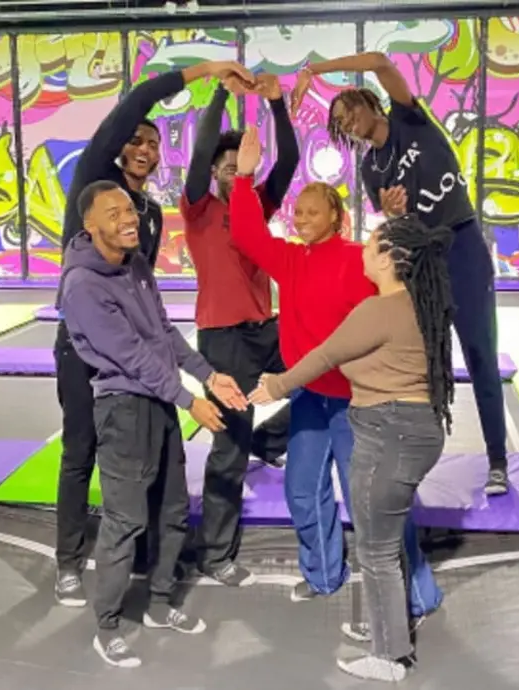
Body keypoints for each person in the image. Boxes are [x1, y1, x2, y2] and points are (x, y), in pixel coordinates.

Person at [53, 59, 256, 607]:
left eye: (153, 144)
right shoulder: (96, 182)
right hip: (86, 350)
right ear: (119, 147)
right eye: (136, 140)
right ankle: (69, 559)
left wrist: (197, 372)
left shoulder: (147, 212)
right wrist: (206, 72)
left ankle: (143, 551)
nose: (144, 148)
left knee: (148, 455)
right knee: (81, 450)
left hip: (139, 351)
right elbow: (134, 104)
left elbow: (151, 315)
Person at [229, 127, 438, 633]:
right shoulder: (290, 259)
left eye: (311, 212)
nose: (301, 219)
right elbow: (248, 236)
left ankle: (417, 593)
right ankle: (323, 575)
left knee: (372, 503)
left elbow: (401, 289)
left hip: (357, 403)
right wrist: (243, 178)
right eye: (297, 213)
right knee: (303, 488)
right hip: (309, 398)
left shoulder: (358, 260)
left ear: (337, 218)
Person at [290, 52, 509, 496]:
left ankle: (498, 461)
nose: (347, 123)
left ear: (369, 102)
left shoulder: (410, 119)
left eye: (349, 111)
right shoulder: (370, 168)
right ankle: (413, 458)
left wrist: (314, 71)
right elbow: (398, 226)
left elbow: (379, 60)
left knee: (480, 355)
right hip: (423, 263)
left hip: (463, 246)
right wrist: (391, 214)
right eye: (339, 122)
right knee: (425, 364)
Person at [249, 213, 455, 683]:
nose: (363, 249)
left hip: (388, 434)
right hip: (416, 431)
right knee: (387, 541)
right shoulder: (420, 304)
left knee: (376, 551)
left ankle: (389, 656)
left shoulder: (377, 311)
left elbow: (325, 355)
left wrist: (276, 386)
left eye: (371, 243)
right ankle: (389, 627)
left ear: (388, 259)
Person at [58, 179, 249, 668]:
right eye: (114, 213)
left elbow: (164, 333)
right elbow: (132, 357)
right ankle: (107, 625)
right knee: (126, 521)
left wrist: (210, 375)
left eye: (130, 210)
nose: (129, 219)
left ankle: (160, 603)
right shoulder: (82, 285)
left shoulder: (137, 263)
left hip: (158, 403)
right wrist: (189, 400)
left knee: (172, 509)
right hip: (123, 409)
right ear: (89, 224)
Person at [180, 72, 298, 587]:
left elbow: (288, 161)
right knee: (228, 450)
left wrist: (276, 105)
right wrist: (222, 92)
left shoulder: (256, 205)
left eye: (240, 167)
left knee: (322, 373)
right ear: (214, 173)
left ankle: (268, 442)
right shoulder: (198, 209)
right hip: (224, 340)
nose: (235, 174)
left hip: (267, 330)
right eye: (227, 168)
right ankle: (215, 554)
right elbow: (202, 149)